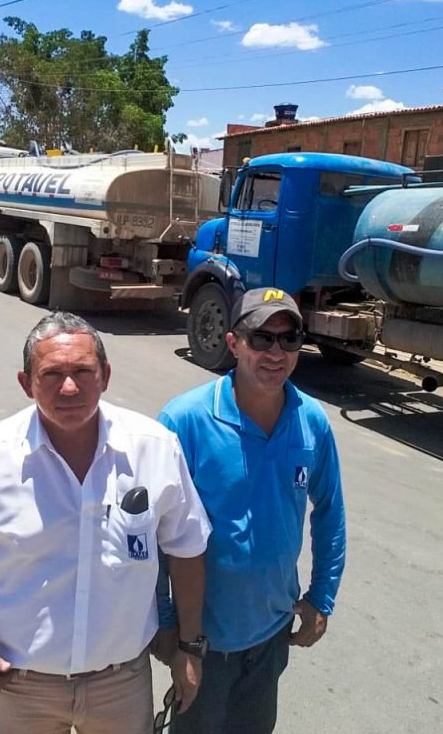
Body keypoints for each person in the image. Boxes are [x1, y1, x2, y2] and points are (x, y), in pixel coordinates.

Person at [0, 312, 211, 734]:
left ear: (106, 376)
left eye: (82, 371)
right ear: (26, 383)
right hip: (20, 687)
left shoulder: (154, 449)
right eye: (51, 374)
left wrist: (190, 646)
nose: (69, 387)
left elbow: (186, 548)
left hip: (122, 682)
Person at [156, 287, 347, 734]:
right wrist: (167, 624)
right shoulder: (185, 421)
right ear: (233, 343)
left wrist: (322, 596)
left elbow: (330, 512)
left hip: (271, 634)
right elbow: (152, 533)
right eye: (261, 338)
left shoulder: (311, 422)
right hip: (202, 639)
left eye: (289, 339)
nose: (275, 352)